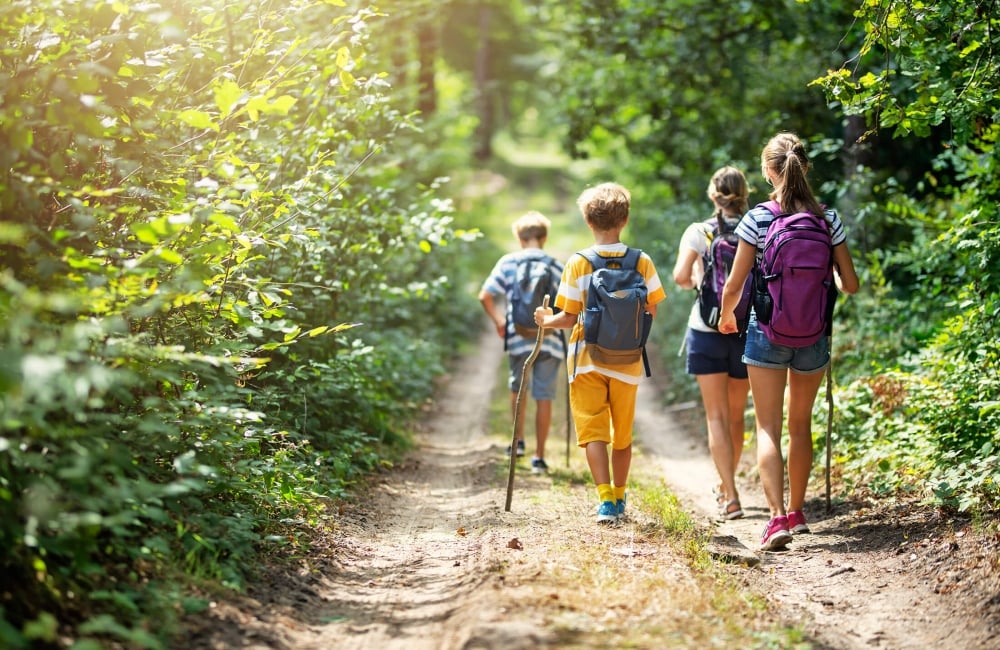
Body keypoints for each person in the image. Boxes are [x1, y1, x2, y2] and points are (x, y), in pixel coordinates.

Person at [718, 132, 859, 550]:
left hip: (766, 331)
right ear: (805, 166)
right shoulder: (827, 218)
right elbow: (850, 284)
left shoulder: (759, 217)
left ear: (767, 170)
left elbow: (735, 284)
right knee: (801, 425)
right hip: (813, 334)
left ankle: (776, 518)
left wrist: (727, 316)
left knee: (767, 427)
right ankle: (798, 514)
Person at [534, 182, 666, 523]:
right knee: (622, 435)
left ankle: (605, 500)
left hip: (587, 359)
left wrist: (545, 321)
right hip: (628, 362)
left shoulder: (579, 263)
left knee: (594, 431)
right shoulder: (642, 261)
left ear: (588, 222)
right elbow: (652, 310)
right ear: (624, 220)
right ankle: (622, 497)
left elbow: (567, 317)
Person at [671, 166, 752, 521]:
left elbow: (679, 276)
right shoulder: (757, 227)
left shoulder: (699, 231)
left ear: (713, 195)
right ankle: (727, 485)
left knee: (715, 417)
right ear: (745, 193)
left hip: (706, 329)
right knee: (736, 417)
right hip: (746, 329)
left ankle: (730, 494)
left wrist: (698, 285)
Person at [479, 211, 565, 474]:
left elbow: (485, 296)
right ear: (544, 237)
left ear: (519, 238)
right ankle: (539, 457)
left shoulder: (508, 263)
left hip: (517, 337)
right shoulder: (555, 265)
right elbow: (569, 304)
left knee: (518, 388)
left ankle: (517, 442)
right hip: (548, 339)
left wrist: (499, 322)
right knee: (545, 395)